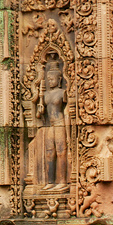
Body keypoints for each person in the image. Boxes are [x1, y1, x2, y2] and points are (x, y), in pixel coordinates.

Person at [37, 56, 69, 191]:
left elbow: (68, 111)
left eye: (52, 79)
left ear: (59, 79)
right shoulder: (45, 95)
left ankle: (62, 181)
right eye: (48, 79)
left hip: (60, 123)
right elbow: (39, 115)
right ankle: (50, 181)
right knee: (50, 153)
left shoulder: (62, 93)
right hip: (50, 125)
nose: (50, 81)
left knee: (61, 151)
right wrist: (40, 110)